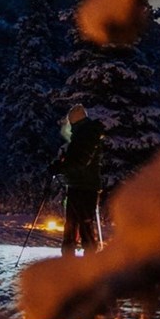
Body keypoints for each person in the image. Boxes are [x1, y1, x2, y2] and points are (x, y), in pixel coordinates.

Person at [50, 104, 104, 257]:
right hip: (77, 184)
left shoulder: (87, 135)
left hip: (85, 186)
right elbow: (76, 159)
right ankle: (69, 255)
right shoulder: (83, 135)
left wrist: (61, 168)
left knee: (84, 222)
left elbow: (80, 161)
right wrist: (61, 164)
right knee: (73, 222)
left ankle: (89, 256)